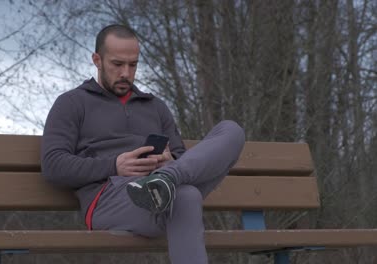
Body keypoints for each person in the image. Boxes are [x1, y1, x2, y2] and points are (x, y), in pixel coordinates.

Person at [41, 24, 245, 264]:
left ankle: (165, 179)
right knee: (186, 196)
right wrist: (114, 166)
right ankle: (165, 182)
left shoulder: (155, 107)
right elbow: (53, 164)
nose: (126, 73)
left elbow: (181, 154)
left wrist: (170, 162)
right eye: (117, 64)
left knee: (232, 130)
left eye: (133, 64)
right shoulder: (72, 103)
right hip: (109, 198)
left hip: (166, 191)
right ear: (97, 60)